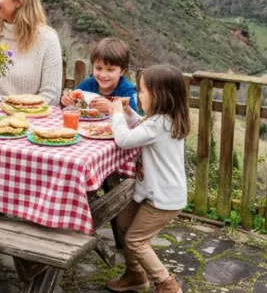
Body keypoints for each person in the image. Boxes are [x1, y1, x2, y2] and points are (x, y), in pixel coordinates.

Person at [107, 65, 190, 293]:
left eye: (142, 91)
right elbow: (140, 127)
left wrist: (115, 114)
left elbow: (124, 139)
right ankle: (135, 274)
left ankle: (166, 284)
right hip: (151, 191)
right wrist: (127, 113)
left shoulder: (160, 123)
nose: (137, 95)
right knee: (123, 221)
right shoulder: (162, 120)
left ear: (160, 96)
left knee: (135, 241)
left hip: (163, 199)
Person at [60, 38, 138, 114]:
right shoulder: (88, 85)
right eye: (98, 68)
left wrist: (111, 107)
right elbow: (81, 107)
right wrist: (67, 102)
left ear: (122, 71)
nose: (103, 75)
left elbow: (134, 119)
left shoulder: (127, 91)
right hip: (88, 126)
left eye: (110, 70)